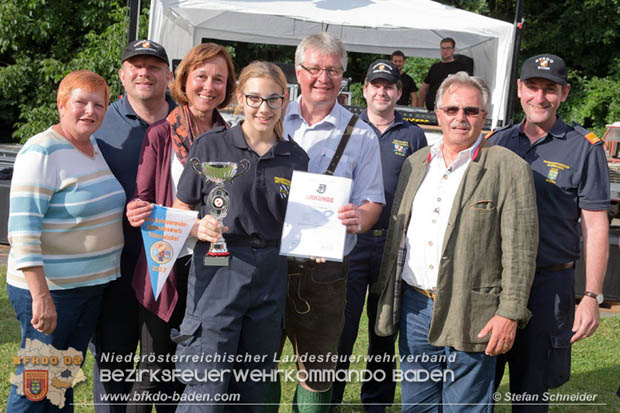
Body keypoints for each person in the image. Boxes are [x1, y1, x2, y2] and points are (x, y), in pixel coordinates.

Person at [374, 71, 539, 412]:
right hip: (416, 309)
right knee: (416, 406)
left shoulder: (509, 169)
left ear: (484, 116)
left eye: (471, 111)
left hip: (473, 311)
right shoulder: (416, 164)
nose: (460, 118)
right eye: (452, 109)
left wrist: (509, 313)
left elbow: (521, 251)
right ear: (437, 113)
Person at [171, 61, 309, 412]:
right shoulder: (210, 147)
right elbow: (180, 208)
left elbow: (302, 222)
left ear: (286, 100)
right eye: (254, 98)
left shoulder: (296, 158)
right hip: (219, 267)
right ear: (239, 98)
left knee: (255, 383)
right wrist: (195, 225)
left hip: (271, 272)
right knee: (208, 383)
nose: (263, 108)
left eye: (273, 99)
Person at [266, 32, 385, 412]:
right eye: (314, 68)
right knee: (259, 361)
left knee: (317, 369)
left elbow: (373, 201)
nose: (323, 78)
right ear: (297, 72)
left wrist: (358, 219)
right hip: (267, 262)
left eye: (332, 70)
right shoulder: (271, 118)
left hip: (326, 272)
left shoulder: (362, 134)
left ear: (343, 76)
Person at [488, 54, 610, 412]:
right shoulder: (497, 142)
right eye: (533, 87)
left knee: (530, 395)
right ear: (519, 90)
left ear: (565, 93)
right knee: (479, 387)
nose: (540, 98)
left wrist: (591, 296)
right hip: (495, 283)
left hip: (548, 288)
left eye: (550, 89)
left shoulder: (584, 147)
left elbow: (596, 225)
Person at [123, 43, 236, 413]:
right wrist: (192, 226)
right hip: (165, 265)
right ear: (184, 79)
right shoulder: (160, 134)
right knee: (153, 367)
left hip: (214, 268)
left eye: (219, 79)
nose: (209, 86)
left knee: (190, 369)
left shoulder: (234, 138)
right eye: (201, 76)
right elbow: (144, 204)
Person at [6, 70, 125, 412]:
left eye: (98, 104)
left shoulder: (93, 148)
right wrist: (41, 297)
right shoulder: (42, 151)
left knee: (60, 386)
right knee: (36, 388)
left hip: (87, 288)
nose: (90, 111)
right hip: (52, 291)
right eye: (81, 102)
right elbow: (23, 231)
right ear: (61, 105)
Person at [331, 59, 427, 412]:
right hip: (353, 243)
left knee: (384, 331)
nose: (382, 91)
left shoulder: (413, 134)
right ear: (366, 90)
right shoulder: (349, 129)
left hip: (394, 245)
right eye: (376, 84)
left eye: (390, 85)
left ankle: (376, 404)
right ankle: (331, 398)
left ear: (398, 92)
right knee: (343, 330)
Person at [91, 39, 175, 413]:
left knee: (167, 368)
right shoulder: (96, 122)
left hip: (171, 269)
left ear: (169, 75)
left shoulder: (187, 123)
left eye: (154, 66)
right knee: (114, 364)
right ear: (123, 74)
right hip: (114, 267)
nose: (145, 73)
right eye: (136, 66)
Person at [418, 38, 473, 110]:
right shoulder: (435, 67)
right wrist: (419, 108)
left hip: (451, 109)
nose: (445, 51)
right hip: (432, 109)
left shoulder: (461, 68)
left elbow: (467, 89)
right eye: (443, 48)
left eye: (448, 48)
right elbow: (424, 88)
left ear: (453, 49)